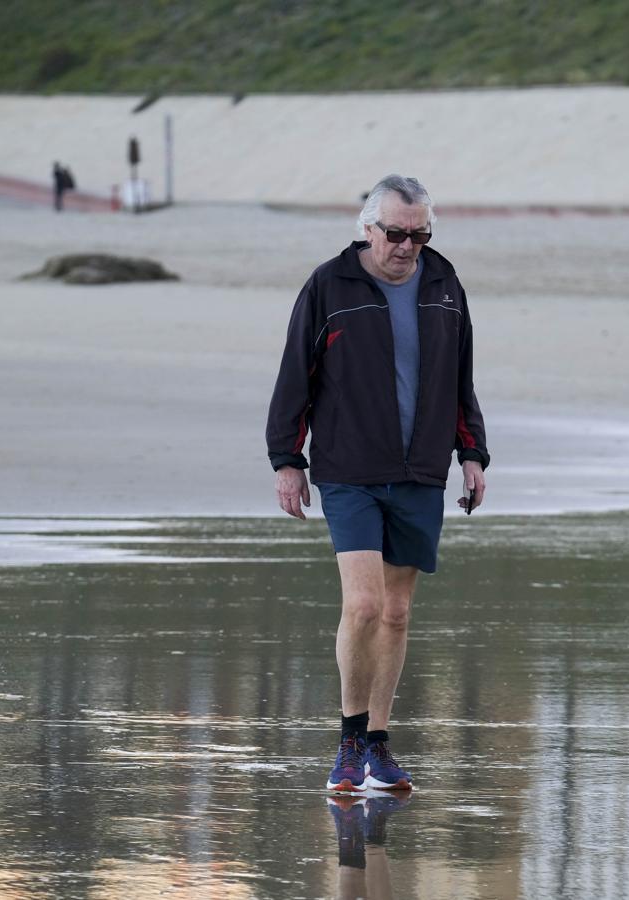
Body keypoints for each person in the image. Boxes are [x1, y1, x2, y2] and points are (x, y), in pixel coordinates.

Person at [266, 174, 490, 793]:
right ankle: (348, 740)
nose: (407, 246)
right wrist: (287, 458)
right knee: (362, 604)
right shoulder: (330, 286)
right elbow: (295, 374)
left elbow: (459, 378)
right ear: (367, 228)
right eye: (396, 233)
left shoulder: (444, 287)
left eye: (419, 234)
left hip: (419, 468)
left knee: (396, 613)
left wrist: (473, 454)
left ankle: (380, 745)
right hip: (348, 468)